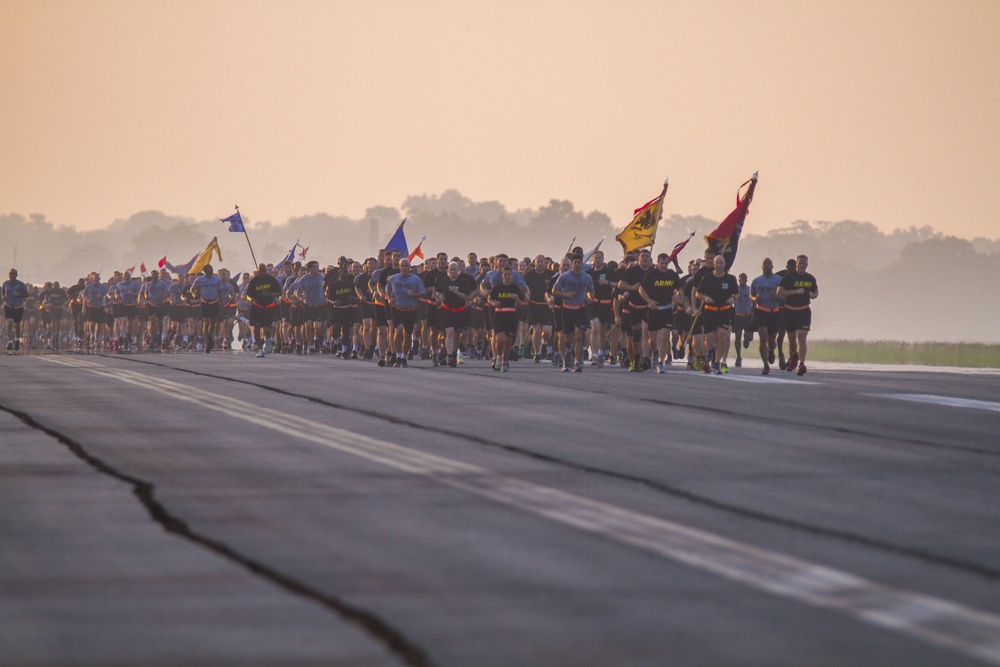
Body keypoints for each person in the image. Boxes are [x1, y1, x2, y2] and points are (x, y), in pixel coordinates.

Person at [694, 255, 738, 374]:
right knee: (709, 339)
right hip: (710, 311)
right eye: (717, 262)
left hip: (724, 311)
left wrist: (733, 299)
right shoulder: (707, 278)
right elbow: (698, 293)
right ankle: (710, 350)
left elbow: (736, 294)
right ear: (714, 264)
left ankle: (717, 363)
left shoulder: (731, 279)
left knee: (722, 336)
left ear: (725, 264)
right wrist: (705, 297)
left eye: (721, 262)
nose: (719, 265)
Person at [638, 253, 682, 373]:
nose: (663, 265)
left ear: (668, 263)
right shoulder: (652, 274)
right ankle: (655, 352)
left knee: (664, 335)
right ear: (657, 263)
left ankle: (661, 363)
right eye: (661, 263)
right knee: (652, 340)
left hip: (667, 309)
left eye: (665, 263)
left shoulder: (672, 274)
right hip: (653, 310)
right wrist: (649, 301)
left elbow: (679, 289)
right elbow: (641, 289)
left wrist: (678, 296)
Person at [777, 254, 819, 376]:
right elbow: (780, 292)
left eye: (804, 264)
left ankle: (802, 364)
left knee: (802, 336)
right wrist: (795, 291)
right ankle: (794, 356)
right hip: (790, 310)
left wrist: (814, 295)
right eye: (800, 263)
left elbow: (816, 291)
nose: (802, 266)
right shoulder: (789, 277)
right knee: (791, 338)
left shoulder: (810, 278)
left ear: (807, 265)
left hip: (804, 311)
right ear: (796, 264)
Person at [552, 255, 595, 372]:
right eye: (575, 262)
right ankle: (568, 353)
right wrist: (565, 295)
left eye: (579, 262)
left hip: (580, 309)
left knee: (579, 335)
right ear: (572, 264)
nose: (577, 264)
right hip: (567, 309)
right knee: (567, 337)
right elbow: (554, 291)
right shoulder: (564, 277)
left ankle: (577, 361)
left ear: (582, 264)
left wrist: (590, 297)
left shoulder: (587, 277)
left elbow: (591, 290)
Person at [435, 261, 478, 367]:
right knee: (449, 332)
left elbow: (467, 297)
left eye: (455, 269)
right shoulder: (444, 280)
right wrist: (439, 296)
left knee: (457, 335)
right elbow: (436, 291)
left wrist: (455, 292)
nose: (453, 271)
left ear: (458, 271)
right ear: (448, 271)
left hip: (460, 310)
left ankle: (452, 352)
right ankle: (450, 356)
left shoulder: (462, 281)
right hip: (447, 310)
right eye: (451, 269)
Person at [616, 248, 653, 371]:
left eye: (647, 256)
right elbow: (620, 285)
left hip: (648, 307)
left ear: (650, 258)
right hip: (633, 307)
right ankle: (635, 358)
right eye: (643, 256)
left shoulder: (654, 271)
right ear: (639, 258)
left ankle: (646, 358)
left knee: (645, 331)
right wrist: (632, 287)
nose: (645, 258)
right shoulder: (632, 271)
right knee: (634, 337)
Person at [384, 258, 425, 367]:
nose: (405, 268)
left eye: (407, 266)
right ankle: (397, 356)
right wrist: (389, 299)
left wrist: (414, 294)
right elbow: (387, 290)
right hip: (397, 309)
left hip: (410, 310)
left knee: (407, 335)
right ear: (399, 267)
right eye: (403, 266)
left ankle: (403, 356)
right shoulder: (393, 279)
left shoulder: (415, 280)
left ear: (410, 267)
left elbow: (422, 293)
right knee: (398, 331)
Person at [487, 265, 524, 372]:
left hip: (511, 316)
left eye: (509, 274)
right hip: (499, 315)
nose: (507, 276)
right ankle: (498, 356)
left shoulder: (515, 288)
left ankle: (504, 360)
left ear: (511, 275)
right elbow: (490, 299)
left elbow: (521, 305)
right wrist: (494, 303)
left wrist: (517, 300)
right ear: (502, 275)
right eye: (505, 274)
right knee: (500, 339)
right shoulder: (497, 288)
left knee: (508, 341)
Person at [750, 258, 783, 375]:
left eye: (769, 264)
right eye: (765, 264)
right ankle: (765, 365)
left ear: (773, 266)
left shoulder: (779, 280)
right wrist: (755, 299)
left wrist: (778, 297)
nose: (767, 266)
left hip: (774, 312)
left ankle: (771, 350)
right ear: (762, 266)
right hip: (761, 311)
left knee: (772, 340)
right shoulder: (756, 281)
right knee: (763, 338)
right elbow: (752, 295)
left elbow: (785, 295)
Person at [586, 250, 618, 367]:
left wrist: (607, 282)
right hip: (594, 303)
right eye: (596, 258)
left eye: (600, 258)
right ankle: (594, 354)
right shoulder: (588, 273)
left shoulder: (609, 272)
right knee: (595, 327)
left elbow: (618, 284)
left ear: (603, 259)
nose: (598, 260)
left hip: (606, 303)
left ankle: (601, 352)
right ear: (593, 259)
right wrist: (587, 297)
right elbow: (583, 287)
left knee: (603, 330)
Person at [246, 263, 283, 357]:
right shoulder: (254, 281)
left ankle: (268, 340)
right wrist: (251, 299)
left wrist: (270, 294)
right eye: (260, 270)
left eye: (264, 270)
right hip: (257, 306)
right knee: (256, 327)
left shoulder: (271, 280)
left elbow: (279, 292)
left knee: (267, 329)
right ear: (258, 270)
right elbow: (248, 295)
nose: (262, 272)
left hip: (268, 307)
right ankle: (259, 348)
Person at [191, 264, 223, 353]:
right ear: (205, 270)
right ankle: (208, 343)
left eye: (212, 268)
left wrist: (222, 303)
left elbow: (219, 291)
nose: (211, 270)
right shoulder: (200, 280)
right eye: (209, 268)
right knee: (206, 322)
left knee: (213, 323)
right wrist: (194, 295)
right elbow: (192, 289)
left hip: (214, 302)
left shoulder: (217, 279)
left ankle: (209, 336)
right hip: (205, 303)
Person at [3, 268, 29, 352]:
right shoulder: (5, 283)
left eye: (13, 274)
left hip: (18, 306)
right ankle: (10, 341)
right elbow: (3, 293)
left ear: (16, 275)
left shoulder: (21, 284)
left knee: (17, 325)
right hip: (9, 306)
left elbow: (26, 295)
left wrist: (19, 294)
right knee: (9, 323)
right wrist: (3, 298)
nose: (12, 275)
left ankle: (17, 340)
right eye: (10, 273)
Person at [732, 273, 753, 367]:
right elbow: (731, 300)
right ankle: (738, 357)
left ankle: (747, 339)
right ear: (738, 279)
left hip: (748, 315)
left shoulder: (750, 290)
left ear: (747, 279)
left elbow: (754, 300)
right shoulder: (735, 290)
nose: (743, 280)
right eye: (741, 278)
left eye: (745, 278)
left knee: (749, 336)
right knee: (738, 336)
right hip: (738, 315)